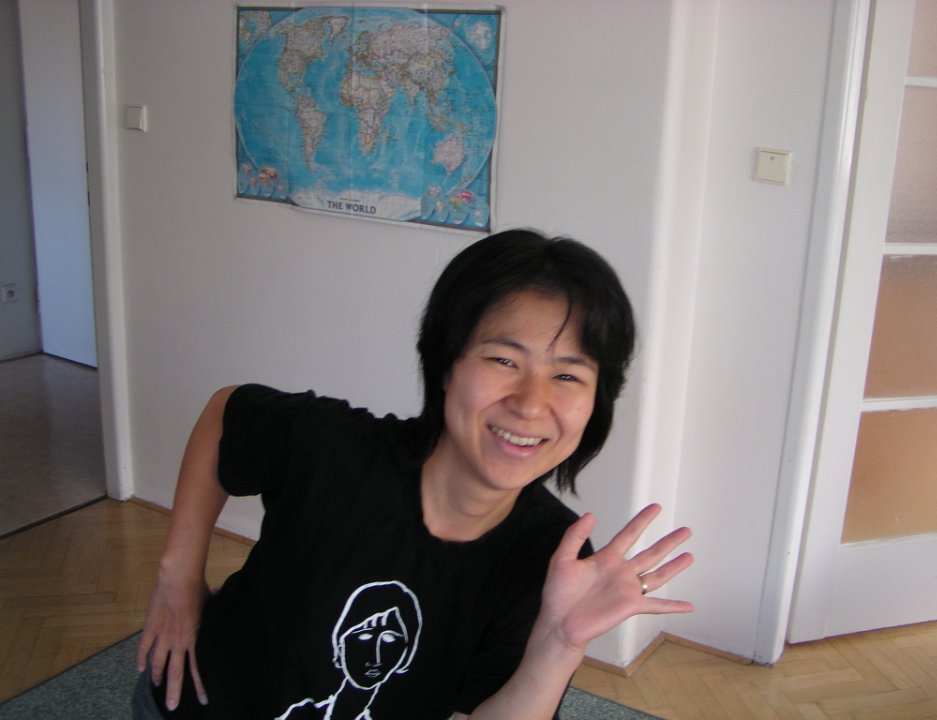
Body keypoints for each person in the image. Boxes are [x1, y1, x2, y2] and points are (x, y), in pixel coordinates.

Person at [134, 229, 694, 720]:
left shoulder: (552, 555)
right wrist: (177, 575)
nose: (530, 403)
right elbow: (229, 413)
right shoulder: (336, 453)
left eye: (568, 376)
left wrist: (561, 644)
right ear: (446, 364)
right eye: (503, 360)